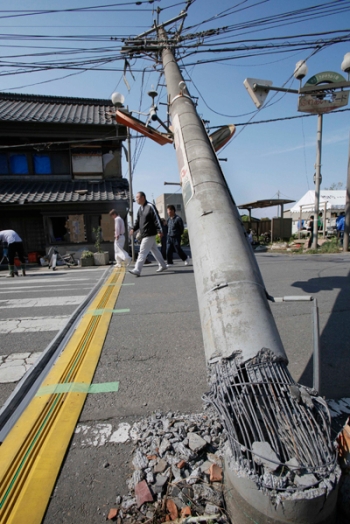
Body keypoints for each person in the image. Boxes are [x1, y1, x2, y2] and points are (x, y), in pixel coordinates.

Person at [128, 192, 167, 277]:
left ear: (143, 197)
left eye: (137, 197)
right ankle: (163, 265)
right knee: (154, 250)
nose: (136, 199)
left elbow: (157, 218)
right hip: (145, 234)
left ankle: (137, 269)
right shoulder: (140, 209)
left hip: (149, 233)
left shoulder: (150, 206)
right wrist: (133, 228)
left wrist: (160, 230)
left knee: (142, 251)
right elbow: (137, 222)